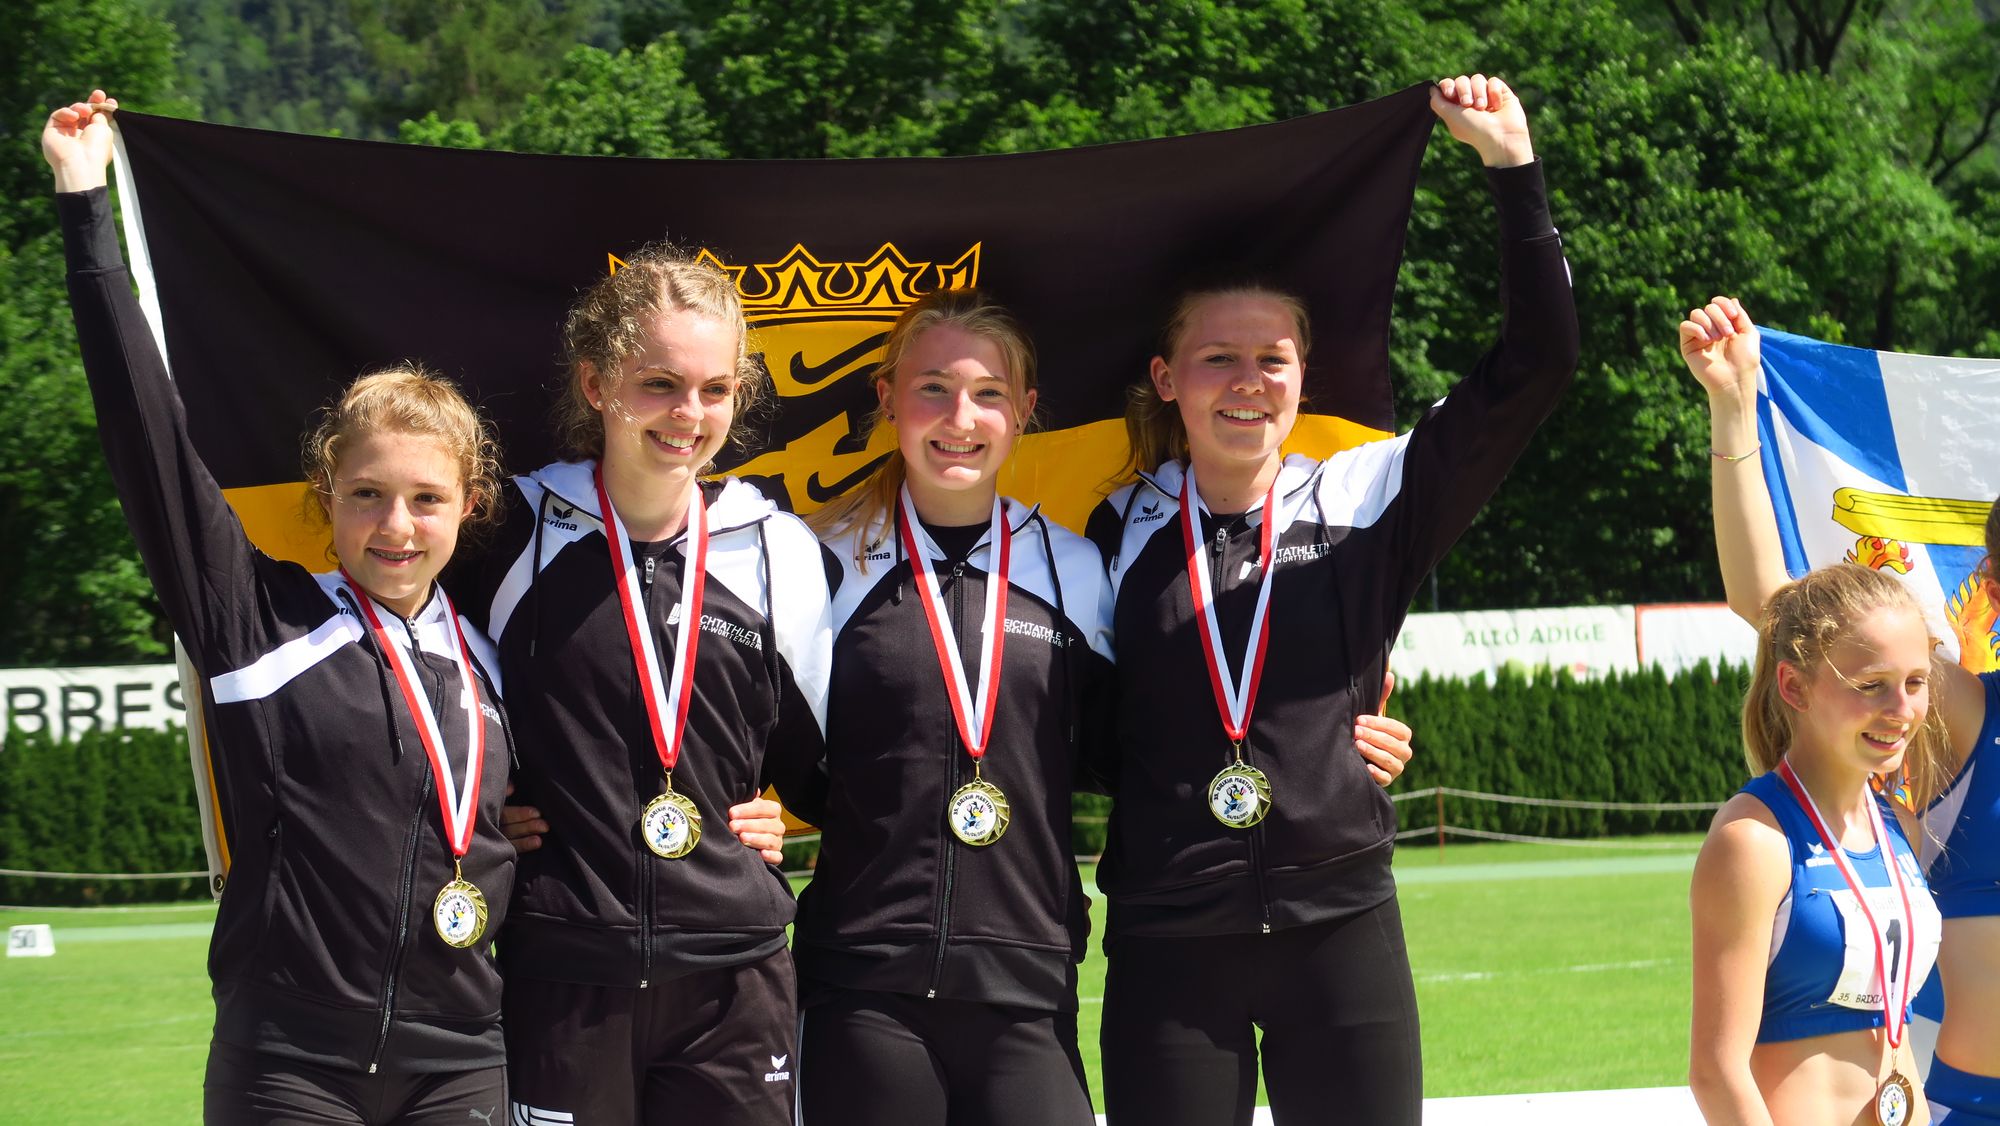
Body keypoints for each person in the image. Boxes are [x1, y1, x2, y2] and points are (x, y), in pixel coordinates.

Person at [791, 288, 1414, 1125]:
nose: (960, 417)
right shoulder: (815, 561)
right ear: (887, 397)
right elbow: (759, 730)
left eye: (988, 393)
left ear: (1024, 412)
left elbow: (1151, 727)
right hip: (861, 976)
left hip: (1028, 974)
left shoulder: (1075, 567)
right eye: (932, 388)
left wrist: (1340, 720)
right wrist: (735, 807)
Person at [1085, 73, 1578, 1125]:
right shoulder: (1108, 530)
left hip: (1339, 925)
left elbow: (1536, 365)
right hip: (1170, 941)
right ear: (1167, 378)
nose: (1247, 381)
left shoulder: (1369, 494)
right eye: (1218, 359)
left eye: (1272, 359)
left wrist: (1512, 170)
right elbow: (1072, 727)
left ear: (1304, 376)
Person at [48, 91, 519, 1124]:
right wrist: (85, 208)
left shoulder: (497, 656)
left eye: (426, 498)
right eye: (367, 494)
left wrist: (743, 816)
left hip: (465, 1062)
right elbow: (146, 435)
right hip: (291, 1063)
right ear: (326, 496)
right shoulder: (256, 620)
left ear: (469, 505)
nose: (396, 525)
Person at [445, 245, 831, 1126]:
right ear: (596, 385)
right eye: (659, 384)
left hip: (734, 980)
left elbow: (822, 767)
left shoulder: (778, 550)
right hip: (563, 970)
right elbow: (420, 695)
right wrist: (481, 813)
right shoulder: (510, 532)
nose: (688, 414)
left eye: (715, 389)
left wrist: (789, 812)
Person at [1684, 296, 2000, 1123]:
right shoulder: (1963, 713)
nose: (1899, 703)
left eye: (1908, 687)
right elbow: (1775, 607)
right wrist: (1734, 411)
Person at [1685, 563, 1945, 1125]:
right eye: (1871, 685)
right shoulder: (1752, 841)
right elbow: (1715, 1070)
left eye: (1915, 682)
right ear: (1794, 687)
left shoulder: (1898, 826)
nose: (1902, 710)